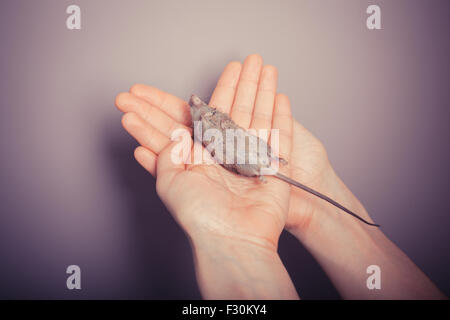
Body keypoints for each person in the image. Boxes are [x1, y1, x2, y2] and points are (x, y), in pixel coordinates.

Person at [115, 54, 445, 299]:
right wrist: (241, 246)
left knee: (252, 155)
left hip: (243, 148)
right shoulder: (209, 130)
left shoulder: (225, 133)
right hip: (235, 146)